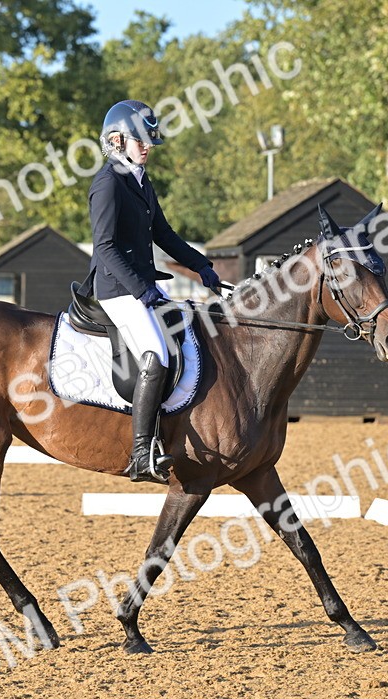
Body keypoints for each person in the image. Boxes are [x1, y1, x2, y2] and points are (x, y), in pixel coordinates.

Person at [88, 99, 222, 484]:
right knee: (156, 354)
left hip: (141, 286)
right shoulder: (108, 184)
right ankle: (141, 453)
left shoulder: (140, 180)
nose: (147, 147)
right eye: (140, 140)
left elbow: (163, 234)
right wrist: (142, 291)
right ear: (117, 141)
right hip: (117, 289)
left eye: (149, 141)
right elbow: (105, 248)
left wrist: (200, 265)